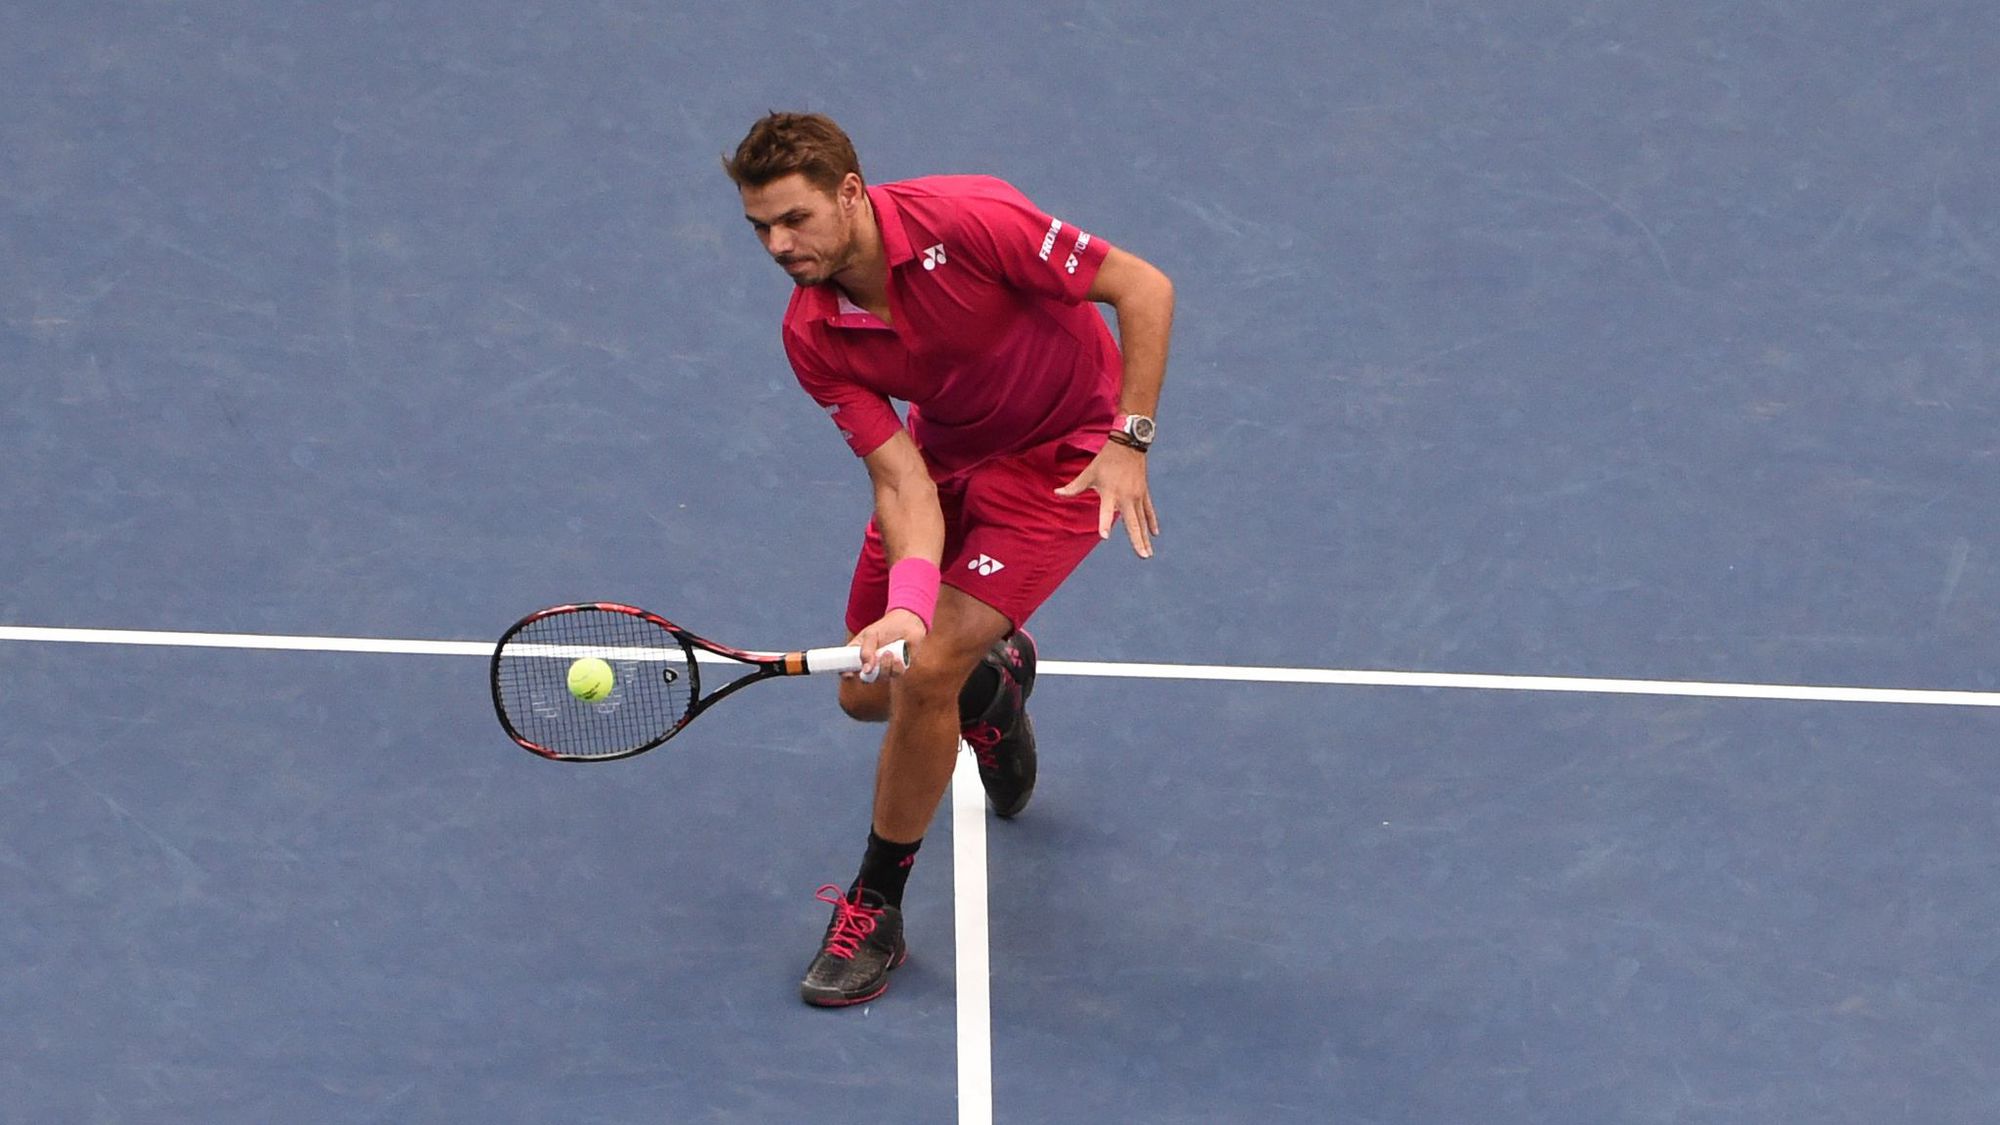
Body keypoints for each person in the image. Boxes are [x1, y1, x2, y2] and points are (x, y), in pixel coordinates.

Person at [723, 112, 1174, 1007]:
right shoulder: (813, 332)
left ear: (851, 193)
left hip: (1063, 455)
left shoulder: (966, 221)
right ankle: (990, 694)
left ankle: (875, 907)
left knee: (922, 669)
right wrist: (913, 599)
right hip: (945, 456)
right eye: (759, 228)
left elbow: (1144, 287)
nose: (778, 245)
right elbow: (899, 481)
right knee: (866, 688)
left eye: (794, 219)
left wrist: (1130, 438)